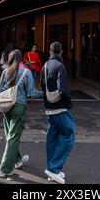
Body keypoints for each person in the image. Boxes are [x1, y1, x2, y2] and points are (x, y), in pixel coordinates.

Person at [0, 49, 42, 179]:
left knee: (10, 136)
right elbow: (32, 93)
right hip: (19, 107)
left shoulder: (5, 71)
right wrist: (45, 94)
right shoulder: (26, 72)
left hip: (5, 107)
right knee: (13, 137)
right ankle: (4, 169)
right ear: (21, 59)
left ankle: (18, 160)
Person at [40, 41, 75, 185]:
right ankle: (54, 169)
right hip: (60, 108)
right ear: (61, 52)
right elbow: (64, 89)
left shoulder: (45, 66)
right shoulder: (60, 66)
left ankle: (51, 169)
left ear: (50, 51)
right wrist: (69, 104)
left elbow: (42, 86)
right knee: (68, 135)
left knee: (52, 138)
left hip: (49, 108)